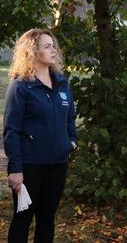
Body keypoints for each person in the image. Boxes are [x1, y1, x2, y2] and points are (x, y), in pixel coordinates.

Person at [3, 28, 77, 243]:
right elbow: (11, 130)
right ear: (33, 52)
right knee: (22, 219)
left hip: (57, 164)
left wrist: (70, 142)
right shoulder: (21, 86)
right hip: (29, 166)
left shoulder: (62, 83)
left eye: (53, 45)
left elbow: (70, 118)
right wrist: (15, 169)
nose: (53, 50)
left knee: (47, 219)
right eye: (47, 46)